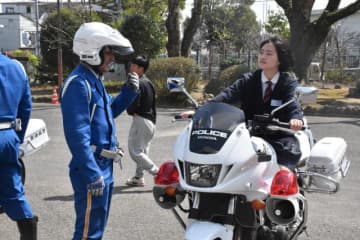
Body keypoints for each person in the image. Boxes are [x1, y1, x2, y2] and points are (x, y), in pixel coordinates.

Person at [60, 22, 139, 240]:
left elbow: (107, 113)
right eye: (108, 51)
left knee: (96, 229)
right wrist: (91, 172)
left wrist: (128, 93)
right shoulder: (78, 83)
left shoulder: (93, 80)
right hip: (92, 167)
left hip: (104, 165)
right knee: (88, 232)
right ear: (92, 50)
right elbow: (77, 135)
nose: (112, 57)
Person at [183, 36, 303, 169]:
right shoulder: (248, 80)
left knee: (288, 158)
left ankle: (287, 186)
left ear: (280, 59)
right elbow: (225, 96)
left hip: (278, 136)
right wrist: (199, 111)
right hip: (248, 134)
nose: (263, 56)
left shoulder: (288, 82)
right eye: (261, 52)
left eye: (269, 53)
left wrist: (295, 119)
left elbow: (293, 103)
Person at [0, 53, 38, 239]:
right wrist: (17, 138)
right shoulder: (16, 68)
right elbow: (26, 107)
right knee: (14, 190)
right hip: (8, 136)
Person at [125, 55, 158, 187]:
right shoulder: (148, 82)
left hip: (141, 120)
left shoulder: (138, 82)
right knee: (143, 151)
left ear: (140, 68)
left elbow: (133, 104)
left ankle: (158, 173)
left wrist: (130, 110)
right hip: (150, 122)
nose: (130, 67)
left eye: (133, 65)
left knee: (135, 151)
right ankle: (139, 177)